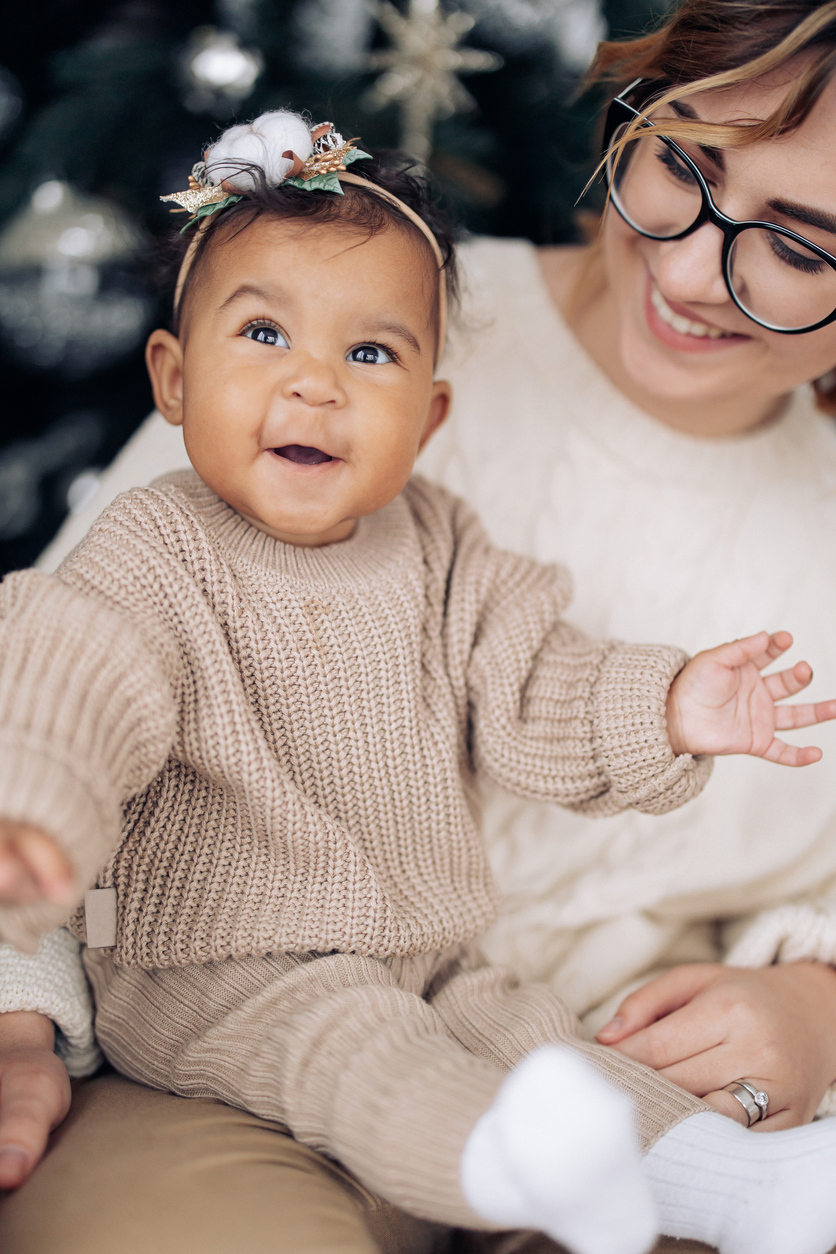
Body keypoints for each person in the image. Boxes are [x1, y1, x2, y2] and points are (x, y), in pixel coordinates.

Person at [5, 2, 836, 1252]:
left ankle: (729, 1186)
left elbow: (535, 680)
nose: (679, 269)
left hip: (476, 994)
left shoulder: (434, 532)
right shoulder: (333, 334)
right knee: (342, 1072)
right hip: (225, 1008)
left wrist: (674, 716)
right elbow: (59, 690)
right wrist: (21, 951)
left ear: (431, 413)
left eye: (797, 246)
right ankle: (522, 1166)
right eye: (680, 165)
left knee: (551, 1059)